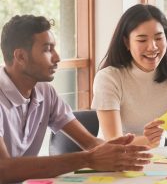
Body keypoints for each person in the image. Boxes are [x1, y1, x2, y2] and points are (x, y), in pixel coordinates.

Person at [0, 15, 152, 183]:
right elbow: (3, 169)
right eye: (47, 49)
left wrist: (114, 152)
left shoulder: (45, 92)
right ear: (20, 56)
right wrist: (88, 159)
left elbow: (90, 143)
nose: (57, 57)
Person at [91, 4, 167, 148]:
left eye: (159, 38)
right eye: (142, 40)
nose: (152, 47)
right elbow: (114, 143)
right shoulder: (108, 78)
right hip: (114, 163)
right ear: (126, 42)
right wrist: (147, 140)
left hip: (158, 161)